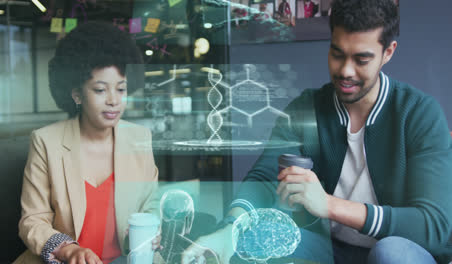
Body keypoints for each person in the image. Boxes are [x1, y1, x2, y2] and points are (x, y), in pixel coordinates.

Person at [183, 0, 452, 263]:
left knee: (391, 253)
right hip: (329, 249)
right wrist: (230, 229)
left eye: (362, 59)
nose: (346, 70)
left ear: (388, 52)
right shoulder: (308, 107)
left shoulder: (418, 113)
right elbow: (265, 176)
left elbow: (435, 226)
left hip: (396, 252)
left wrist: (329, 205)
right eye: (337, 53)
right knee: (251, 238)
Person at [14, 22, 159, 264]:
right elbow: (33, 219)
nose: (114, 101)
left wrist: (153, 228)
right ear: (77, 95)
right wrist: (67, 249)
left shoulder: (139, 138)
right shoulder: (46, 142)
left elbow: (151, 203)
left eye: (121, 89)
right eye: (100, 90)